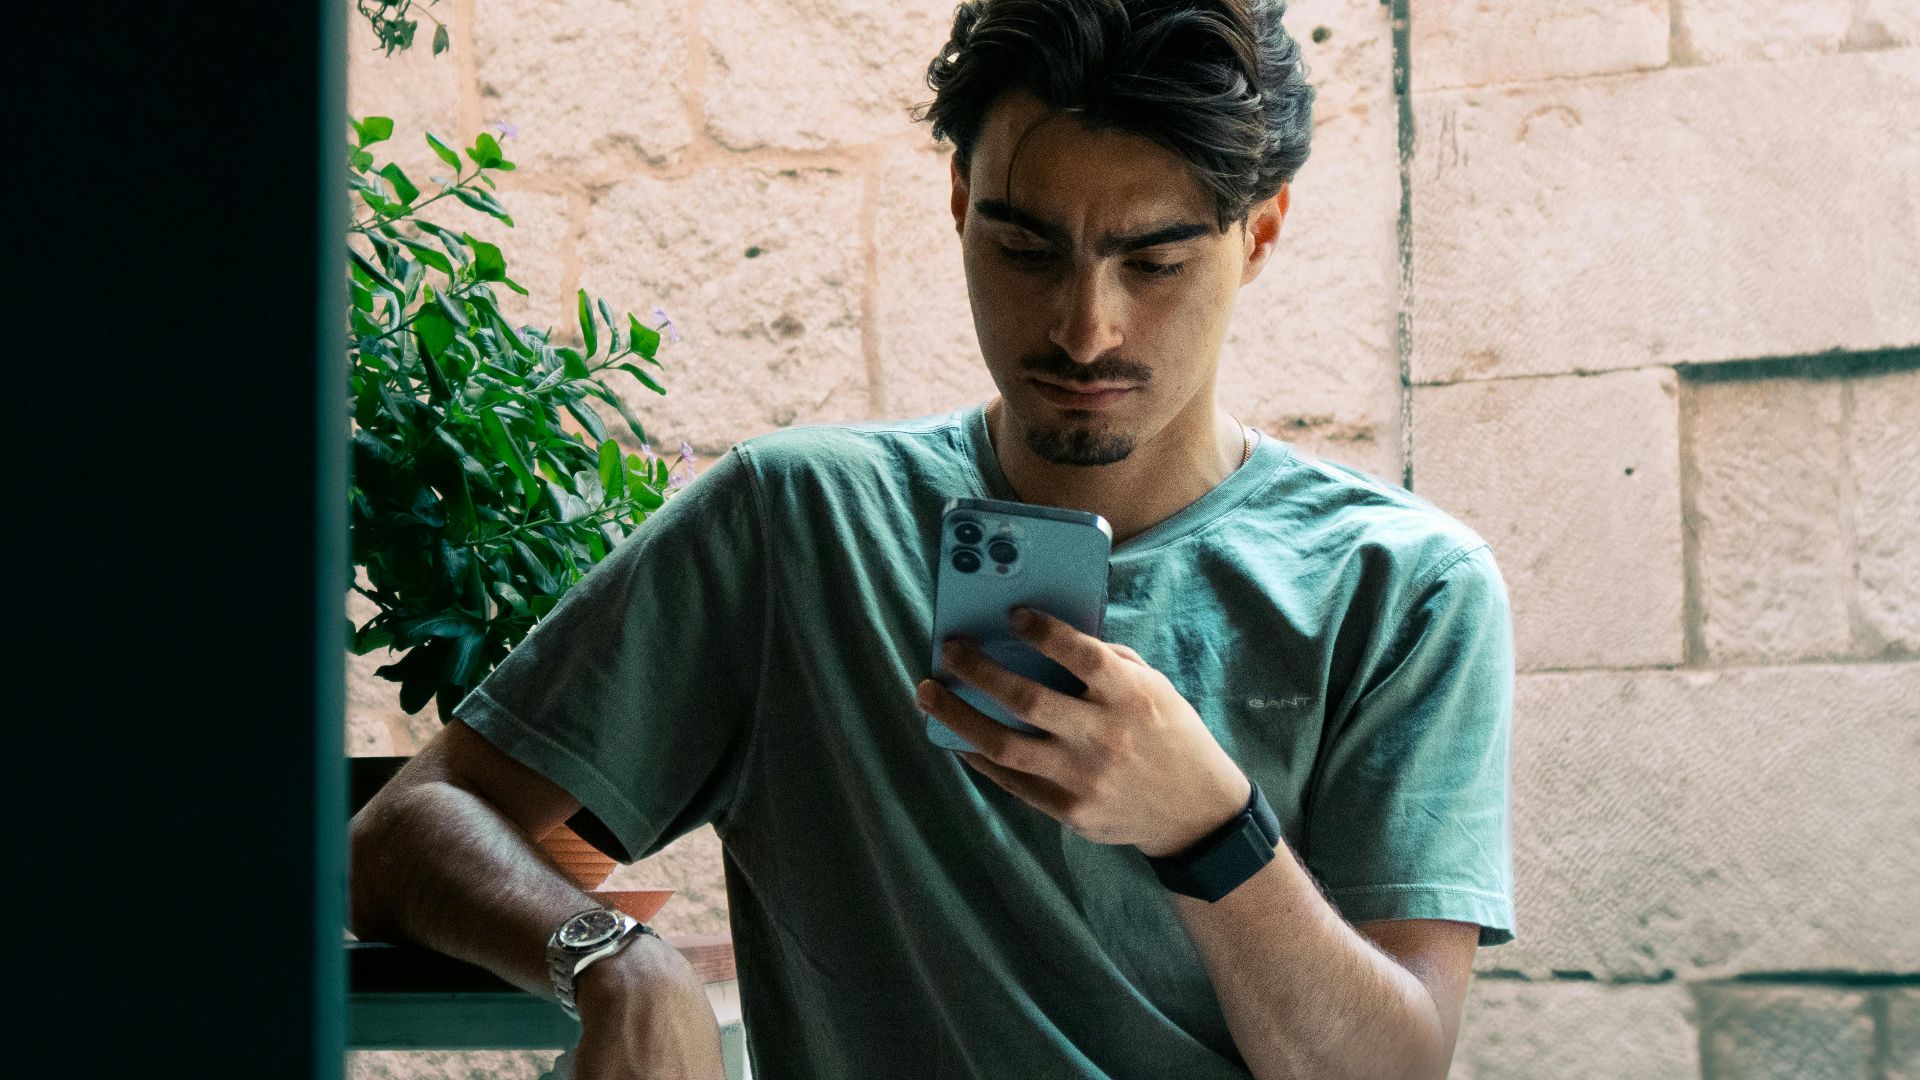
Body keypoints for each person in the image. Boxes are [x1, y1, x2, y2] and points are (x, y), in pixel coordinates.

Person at [349, 1, 1516, 1077]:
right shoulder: (800, 524)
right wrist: (613, 959)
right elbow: (404, 833)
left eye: (1154, 263)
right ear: (961, 202)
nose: (1084, 327)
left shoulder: (1404, 587)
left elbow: (1394, 1067)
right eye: (1026, 248)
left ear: (1260, 233)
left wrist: (1211, 830)